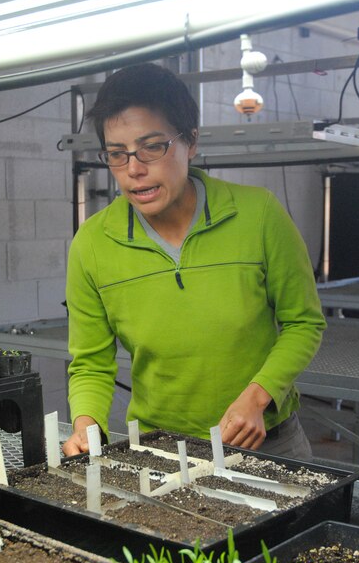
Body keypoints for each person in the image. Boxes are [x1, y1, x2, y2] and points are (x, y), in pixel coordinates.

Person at [62, 62, 326, 460]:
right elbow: (91, 364)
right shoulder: (93, 244)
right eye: (117, 154)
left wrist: (258, 397)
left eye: (152, 147)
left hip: (268, 443)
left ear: (191, 142)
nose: (134, 169)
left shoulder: (258, 215)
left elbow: (303, 323)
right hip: (161, 451)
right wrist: (86, 425)